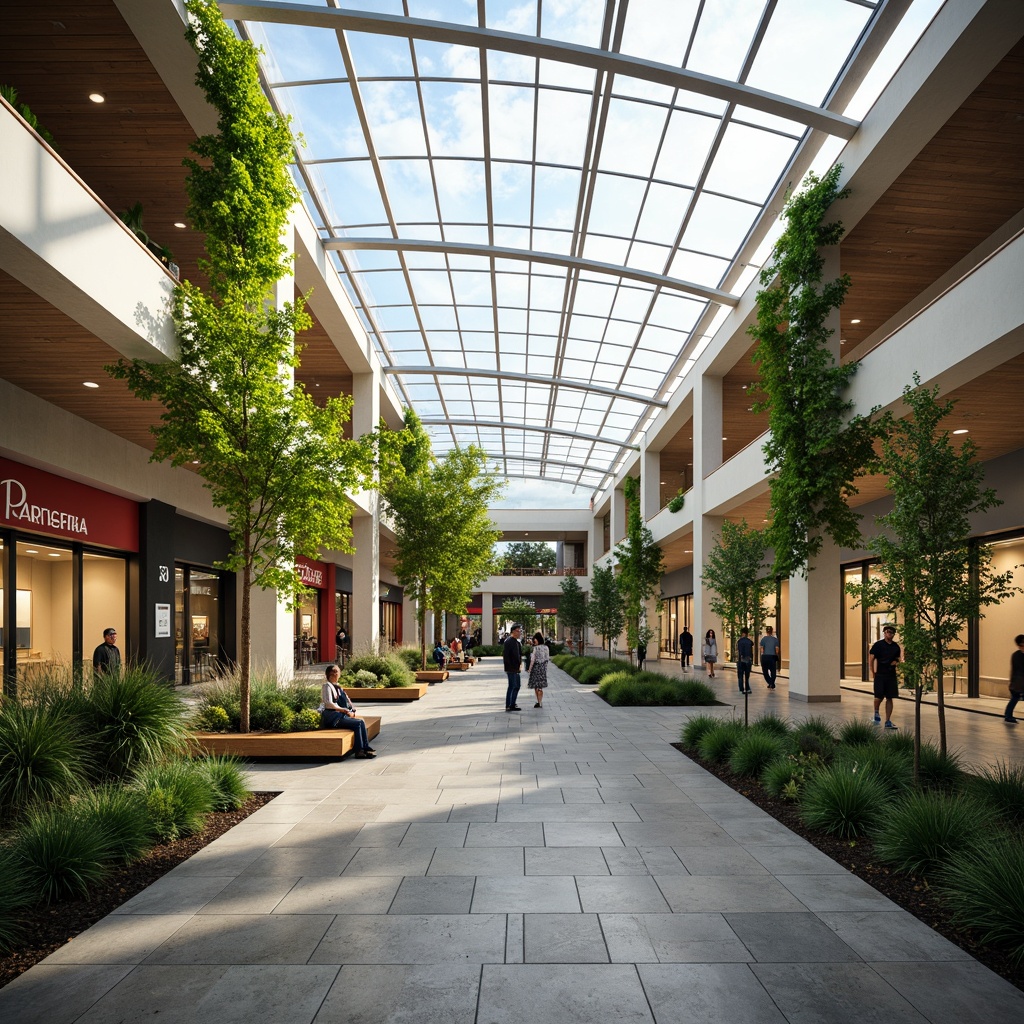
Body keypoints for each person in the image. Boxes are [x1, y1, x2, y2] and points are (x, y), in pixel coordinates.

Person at [320, 664, 376, 757]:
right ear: (333, 673)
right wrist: (344, 711)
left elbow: (346, 701)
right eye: (338, 671)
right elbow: (328, 703)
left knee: (361, 722)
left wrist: (351, 710)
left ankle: (364, 748)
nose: (340, 674)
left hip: (340, 715)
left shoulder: (337, 687)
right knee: (357, 723)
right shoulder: (327, 686)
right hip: (333, 718)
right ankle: (359, 751)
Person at [869, 623, 901, 730]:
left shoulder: (896, 647)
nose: (889, 634)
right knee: (878, 696)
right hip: (880, 674)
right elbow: (871, 658)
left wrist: (895, 662)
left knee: (890, 697)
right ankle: (876, 712)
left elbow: (898, 658)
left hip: (891, 675)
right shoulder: (878, 645)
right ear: (884, 633)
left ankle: (888, 720)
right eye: (887, 632)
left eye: (891, 633)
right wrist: (873, 672)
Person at [503, 623, 524, 711]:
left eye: (520, 631)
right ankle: (509, 705)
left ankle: (512, 703)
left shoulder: (517, 642)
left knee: (517, 686)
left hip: (516, 668)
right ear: (513, 631)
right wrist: (510, 666)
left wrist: (520, 665)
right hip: (511, 668)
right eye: (518, 631)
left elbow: (519, 655)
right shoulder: (509, 642)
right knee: (512, 686)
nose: (519, 633)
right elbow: (506, 656)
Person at [1004, 634, 1024, 724]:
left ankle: (1008, 715)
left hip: (1017, 682)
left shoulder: (1016, 655)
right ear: (1019, 645)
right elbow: (1018, 669)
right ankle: (1008, 716)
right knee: (1015, 698)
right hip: (1018, 683)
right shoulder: (1017, 656)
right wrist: (1012, 682)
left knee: (1014, 698)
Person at [527, 631, 550, 708]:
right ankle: (540, 702)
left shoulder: (536, 648)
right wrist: (545, 668)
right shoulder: (546, 648)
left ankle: (538, 701)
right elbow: (547, 659)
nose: (534, 641)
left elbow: (532, 659)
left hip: (536, 668)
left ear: (538, 640)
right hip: (543, 668)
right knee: (540, 686)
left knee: (536, 686)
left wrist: (529, 669)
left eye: (535, 640)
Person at [736, 627, 754, 694]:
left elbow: (739, 651)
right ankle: (747, 688)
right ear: (747, 633)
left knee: (740, 676)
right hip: (748, 660)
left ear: (742, 633)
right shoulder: (749, 641)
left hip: (741, 660)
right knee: (747, 676)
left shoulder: (740, 641)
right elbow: (752, 644)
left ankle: (741, 689)